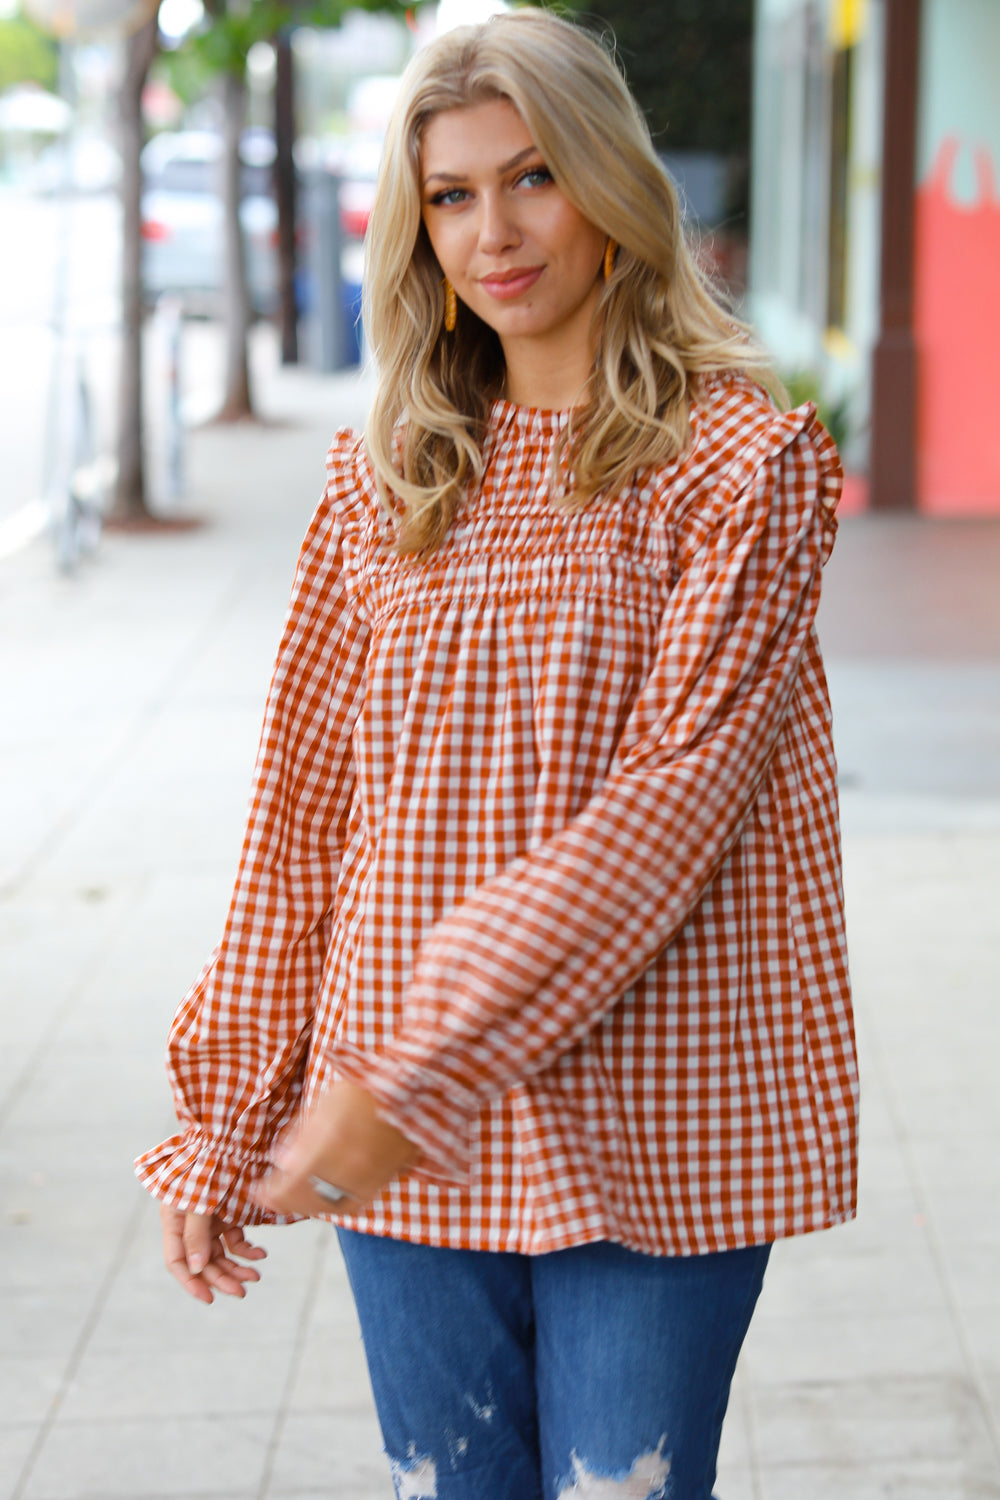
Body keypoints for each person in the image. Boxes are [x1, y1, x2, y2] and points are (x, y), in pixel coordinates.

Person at [135, 11, 859, 1499]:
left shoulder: (741, 470)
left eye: (532, 178)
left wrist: (393, 1088)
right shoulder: (383, 481)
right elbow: (305, 823)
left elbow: (666, 812)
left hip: (658, 1114)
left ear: (610, 186)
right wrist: (228, 1116)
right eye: (451, 196)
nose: (494, 232)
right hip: (408, 1145)